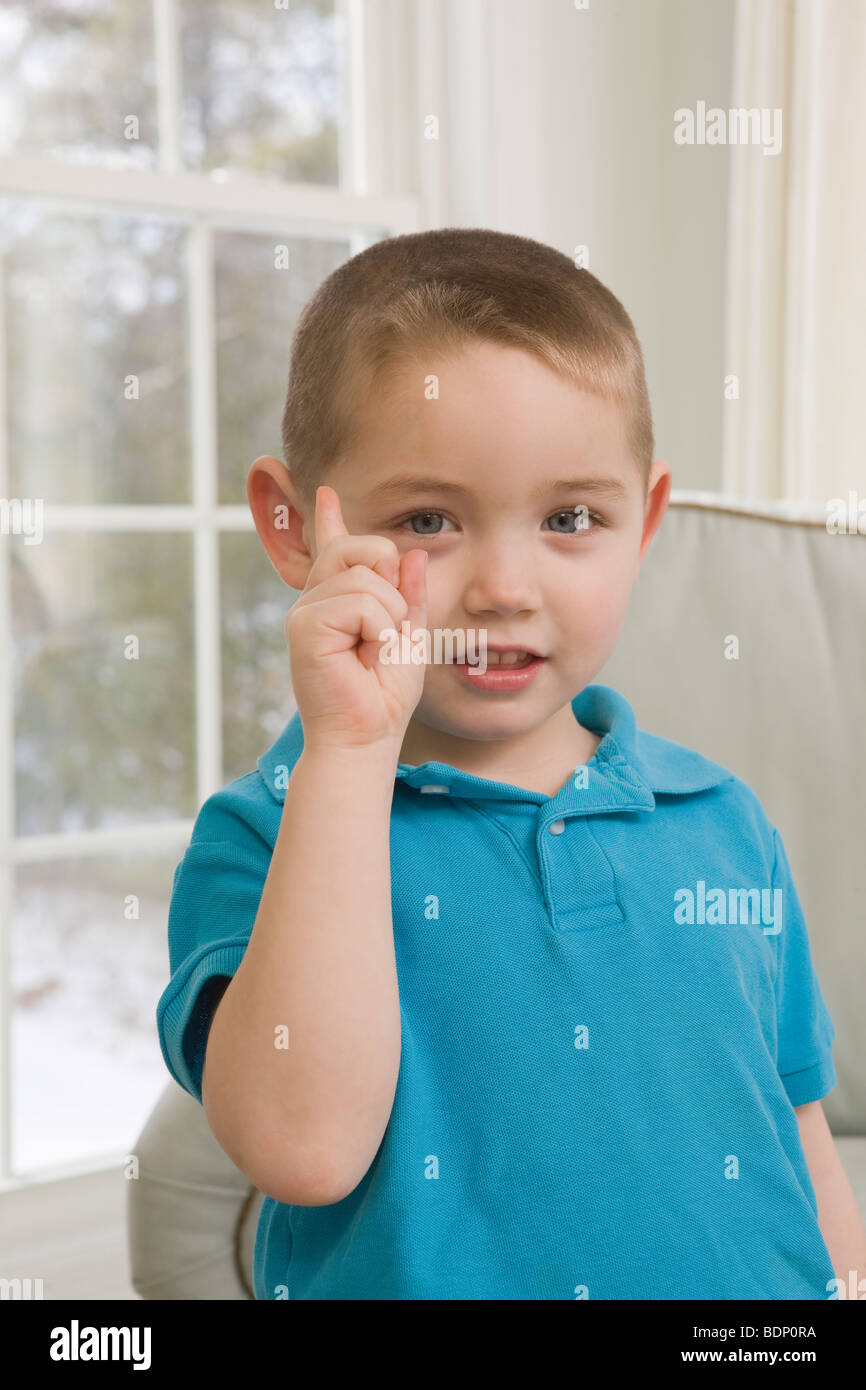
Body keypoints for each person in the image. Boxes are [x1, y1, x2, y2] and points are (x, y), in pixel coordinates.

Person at [156, 227, 866, 1300]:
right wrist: (349, 752)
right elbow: (302, 1148)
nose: (502, 585)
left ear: (645, 522)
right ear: (295, 525)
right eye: (428, 519)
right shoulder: (270, 830)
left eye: (569, 517)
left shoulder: (721, 820)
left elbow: (793, 1131)